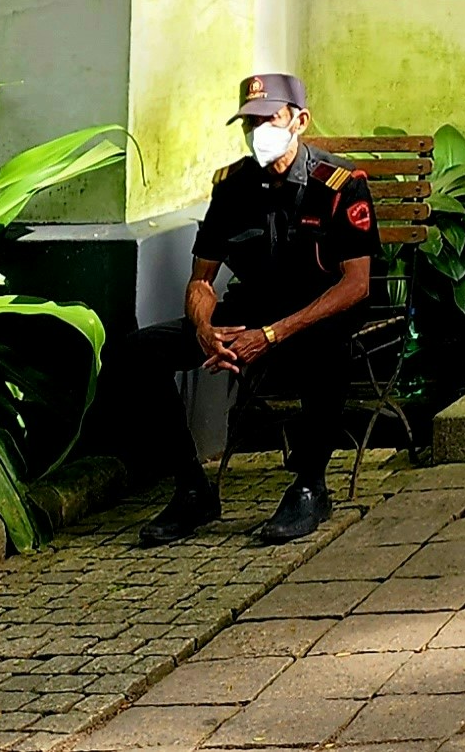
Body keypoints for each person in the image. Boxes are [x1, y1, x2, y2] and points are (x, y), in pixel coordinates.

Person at [110, 71, 380, 548]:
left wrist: (274, 334)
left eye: (269, 118)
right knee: (138, 352)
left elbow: (356, 285)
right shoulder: (233, 188)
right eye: (249, 122)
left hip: (311, 320)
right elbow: (200, 280)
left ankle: (310, 487)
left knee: (330, 350)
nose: (259, 132)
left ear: (299, 120)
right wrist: (204, 329)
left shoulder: (338, 185)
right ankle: (191, 488)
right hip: (248, 317)